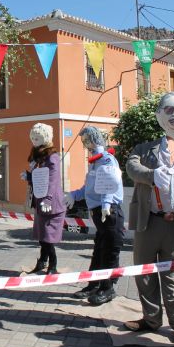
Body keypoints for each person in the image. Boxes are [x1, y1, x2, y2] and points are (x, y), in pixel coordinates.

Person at [124, 92, 174, 344]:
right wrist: (151, 175)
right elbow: (131, 167)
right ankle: (151, 319)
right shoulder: (144, 150)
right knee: (144, 273)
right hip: (148, 222)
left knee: (173, 276)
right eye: (169, 110)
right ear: (159, 114)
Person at [65, 126, 124, 305]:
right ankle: (93, 284)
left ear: (95, 139)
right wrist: (74, 195)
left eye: (87, 140)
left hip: (109, 211)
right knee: (99, 249)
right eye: (84, 141)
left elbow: (109, 183)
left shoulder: (106, 159)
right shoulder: (94, 162)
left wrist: (106, 203)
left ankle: (108, 288)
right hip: (98, 212)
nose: (85, 144)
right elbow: (90, 187)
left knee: (110, 250)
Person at [21, 123, 65, 275]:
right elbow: (39, 178)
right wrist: (29, 176)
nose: (34, 140)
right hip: (40, 201)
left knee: (47, 237)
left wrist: (47, 199)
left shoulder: (52, 157)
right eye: (32, 137)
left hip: (51, 203)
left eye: (37, 138)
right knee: (42, 236)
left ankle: (53, 265)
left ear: (45, 138)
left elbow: (53, 180)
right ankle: (42, 262)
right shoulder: (37, 156)